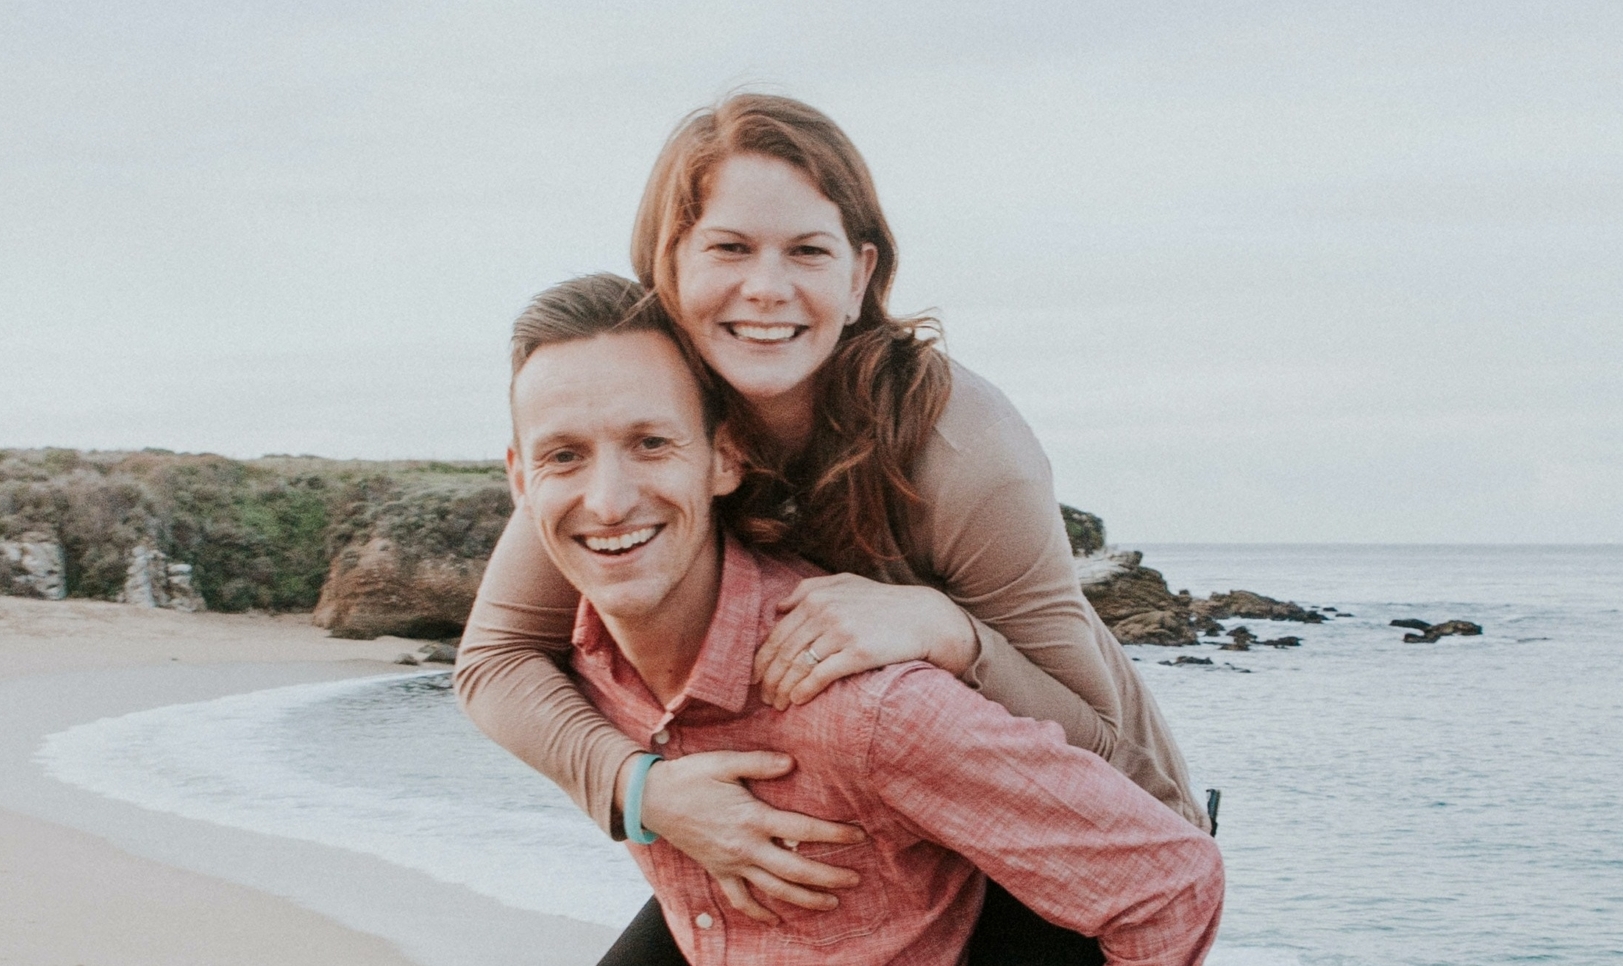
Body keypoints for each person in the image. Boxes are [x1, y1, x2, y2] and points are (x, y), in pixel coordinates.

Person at [456, 94, 1211, 960]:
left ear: (859, 276)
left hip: (1066, 843)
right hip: (863, 822)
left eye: (806, 252)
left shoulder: (962, 449)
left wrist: (949, 633)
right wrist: (644, 793)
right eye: (729, 248)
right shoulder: (636, 431)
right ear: (667, 267)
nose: (766, 289)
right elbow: (496, 660)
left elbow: (1107, 754)